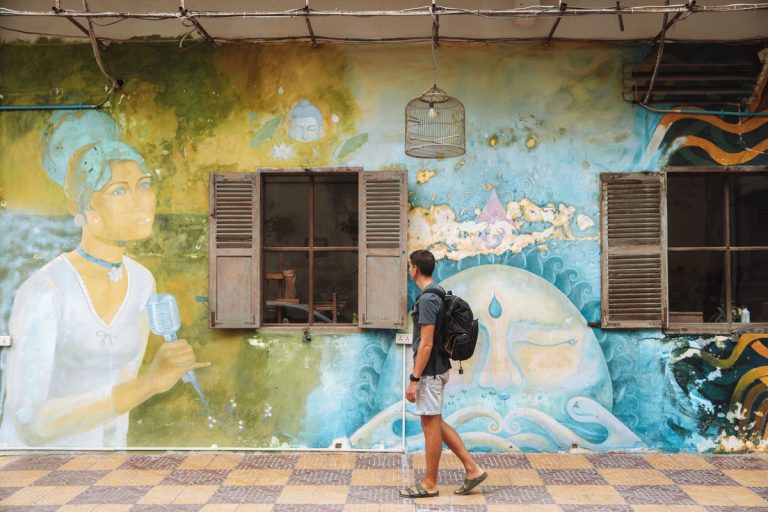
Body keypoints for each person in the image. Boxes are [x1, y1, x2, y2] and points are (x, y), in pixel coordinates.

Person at [0, 110, 210, 448]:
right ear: (84, 209)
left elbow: (121, 398)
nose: (141, 202)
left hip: (99, 462)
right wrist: (150, 383)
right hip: (33, 465)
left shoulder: (142, 281)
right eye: (119, 191)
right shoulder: (45, 291)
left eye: (144, 185)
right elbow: (29, 421)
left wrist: (114, 456)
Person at [400, 249, 487, 498]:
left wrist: (414, 379)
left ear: (415, 269)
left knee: (430, 426)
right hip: (438, 368)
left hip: (430, 372)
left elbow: (426, 344)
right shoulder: (437, 293)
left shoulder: (428, 300)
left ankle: (429, 484)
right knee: (435, 422)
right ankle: (473, 469)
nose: (409, 270)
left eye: (409, 266)